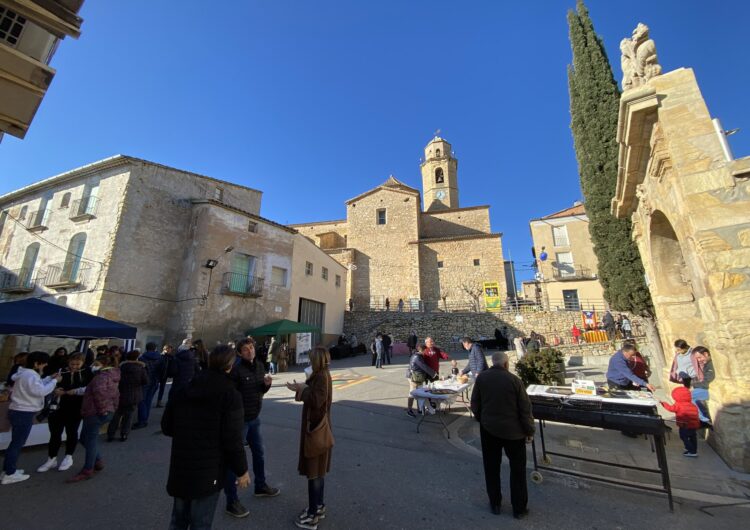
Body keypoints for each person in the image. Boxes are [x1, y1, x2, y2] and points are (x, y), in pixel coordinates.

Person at [162, 345, 250, 530]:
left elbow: (167, 427)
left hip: (182, 465)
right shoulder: (230, 395)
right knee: (200, 522)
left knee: (178, 520)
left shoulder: (185, 388)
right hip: (208, 469)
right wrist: (242, 470)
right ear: (230, 366)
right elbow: (233, 440)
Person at [471, 351, 534, 519]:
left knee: (491, 468)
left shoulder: (482, 378)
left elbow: (475, 403)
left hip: (489, 429)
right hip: (514, 432)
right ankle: (519, 508)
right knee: (518, 470)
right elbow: (525, 409)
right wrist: (529, 431)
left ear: (493, 363)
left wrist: (481, 419)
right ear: (506, 364)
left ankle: (495, 503)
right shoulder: (515, 381)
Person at [223, 337, 280, 519]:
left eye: (251, 348)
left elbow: (258, 390)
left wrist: (266, 386)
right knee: (234, 461)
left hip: (254, 418)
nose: (250, 351)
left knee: (259, 453)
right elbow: (230, 397)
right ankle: (231, 501)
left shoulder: (259, 366)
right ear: (239, 353)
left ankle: (260, 485)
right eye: (246, 350)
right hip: (239, 421)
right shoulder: (235, 370)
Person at [286, 347, 333, 530]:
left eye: (311, 358)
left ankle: (313, 515)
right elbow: (313, 397)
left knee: (314, 474)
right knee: (318, 473)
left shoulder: (321, 376)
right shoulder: (321, 374)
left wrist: (303, 388)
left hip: (316, 430)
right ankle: (318, 506)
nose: (309, 361)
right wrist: (301, 389)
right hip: (318, 428)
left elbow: (316, 400)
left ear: (318, 360)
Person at [2, 352, 61, 485]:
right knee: (17, 444)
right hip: (23, 412)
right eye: (44, 363)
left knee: (15, 443)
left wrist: (49, 379)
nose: (45, 366)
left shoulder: (25, 373)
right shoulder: (30, 375)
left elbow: (36, 386)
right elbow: (40, 391)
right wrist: (54, 381)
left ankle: (7, 471)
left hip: (18, 410)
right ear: (36, 363)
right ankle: (9, 474)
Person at [67, 354, 120, 483]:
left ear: (103, 365)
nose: (92, 366)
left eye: (96, 364)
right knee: (85, 439)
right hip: (105, 410)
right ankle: (97, 460)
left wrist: (103, 410)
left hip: (95, 412)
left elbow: (100, 395)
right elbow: (115, 394)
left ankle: (88, 469)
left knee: (89, 440)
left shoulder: (100, 378)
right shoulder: (112, 375)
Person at [37, 352, 92, 473]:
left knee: (71, 432)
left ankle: (68, 457)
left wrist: (71, 391)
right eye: (72, 364)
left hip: (75, 407)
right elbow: (46, 384)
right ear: (68, 362)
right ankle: (51, 458)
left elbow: (90, 388)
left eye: (78, 364)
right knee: (55, 433)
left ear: (83, 363)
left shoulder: (87, 372)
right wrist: (55, 388)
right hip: (57, 407)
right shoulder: (60, 371)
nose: (74, 366)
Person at [108, 350, 148, 442]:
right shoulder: (141, 368)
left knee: (116, 415)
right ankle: (124, 434)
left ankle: (111, 434)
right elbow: (145, 381)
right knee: (129, 416)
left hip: (120, 393)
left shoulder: (121, 367)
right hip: (134, 394)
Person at [660, 381, 700, 457]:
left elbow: (671, 408)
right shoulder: (692, 404)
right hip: (693, 425)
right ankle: (694, 450)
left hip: (685, 425)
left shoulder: (679, 404)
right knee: (692, 437)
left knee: (683, 436)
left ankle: (691, 450)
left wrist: (663, 403)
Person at [134, 342, 164, 428]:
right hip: (155, 381)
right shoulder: (160, 358)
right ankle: (145, 419)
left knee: (142, 401)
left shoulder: (142, 358)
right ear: (155, 348)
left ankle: (142, 421)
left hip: (145, 382)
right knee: (148, 401)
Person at [405, 344, 437, 417]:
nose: (426, 352)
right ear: (423, 350)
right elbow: (424, 367)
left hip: (417, 377)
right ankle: (409, 410)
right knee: (412, 393)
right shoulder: (417, 357)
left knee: (420, 392)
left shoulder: (418, 355)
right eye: (426, 350)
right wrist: (434, 374)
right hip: (413, 377)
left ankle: (420, 409)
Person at [691, 346, 714, 427]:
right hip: (706, 388)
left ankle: (704, 420)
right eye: (697, 359)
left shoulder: (711, 364)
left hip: (710, 389)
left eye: (699, 357)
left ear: (706, 354)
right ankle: (704, 417)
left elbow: (707, 382)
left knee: (688, 397)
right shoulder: (707, 364)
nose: (699, 360)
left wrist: (695, 385)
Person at [156, 343, 175, 407]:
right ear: (164, 349)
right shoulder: (160, 356)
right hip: (158, 375)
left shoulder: (171, 357)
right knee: (155, 388)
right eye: (168, 349)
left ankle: (159, 402)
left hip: (165, 375)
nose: (169, 351)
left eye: (170, 350)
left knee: (162, 389)